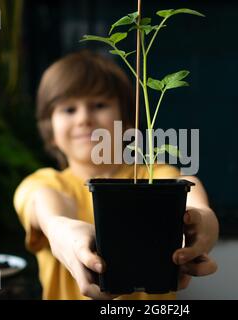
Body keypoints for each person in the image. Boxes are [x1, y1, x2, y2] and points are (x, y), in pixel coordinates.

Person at [13, 50, 219, 300]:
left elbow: (187, 188)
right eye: (69, 109)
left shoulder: (152, 176)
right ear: (50, 129)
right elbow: (42, 203)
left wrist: (203, 219)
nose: (84, 119)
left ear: (127, 118)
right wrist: (60, 229)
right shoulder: (44, 183)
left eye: (99, 105)